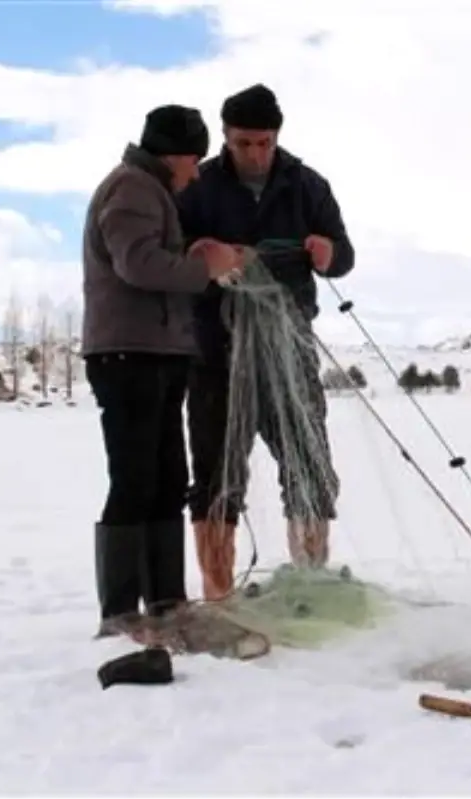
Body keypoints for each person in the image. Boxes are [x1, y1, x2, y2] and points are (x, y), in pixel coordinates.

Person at [175, 83, 356, 601]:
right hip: (217, 352)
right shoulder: (200, 187)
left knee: (308, 461)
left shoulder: (307, 185)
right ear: (226, 139)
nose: (255, 153)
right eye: (243, 143)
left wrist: (327, 253)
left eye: (264, 142)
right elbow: (177, 249)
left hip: (290, 350)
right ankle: (218, 594)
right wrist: (203, 251)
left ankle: (312, 579)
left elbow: (342, 254)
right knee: (215, 473)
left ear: (277, 137)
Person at [81, 104, 244, 636]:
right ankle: (122, 611)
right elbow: (138, 264)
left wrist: (188, 252)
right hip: (128, 355)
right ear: (173, 155)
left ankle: (168, 600)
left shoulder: (150, 192)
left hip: (159, 353)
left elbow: (151, 254)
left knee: (168, 478)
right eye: (194, 160)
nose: (196, 173)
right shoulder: (132, 188)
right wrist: (205, 268)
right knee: (134, 477)